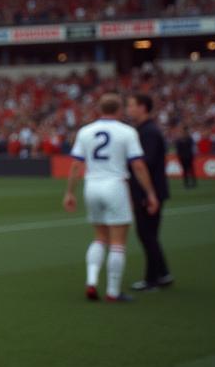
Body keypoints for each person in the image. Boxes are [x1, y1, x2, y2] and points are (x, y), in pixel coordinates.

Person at [63, 93, 159, 302]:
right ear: (119, 110)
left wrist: (70, 192)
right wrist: (150, 193)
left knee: (99, 238)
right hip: (115, 185)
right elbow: (138, 165)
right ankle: (113, 292)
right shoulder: (127, 131)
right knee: (118, 242)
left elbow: (76, 165)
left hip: (92, 186)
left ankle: (91, 281)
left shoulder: (85, 131)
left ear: (99, 109)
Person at [125, 92, 173, 290]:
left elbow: (146, 162)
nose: (128, 109)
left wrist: (147, 193)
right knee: (149, 234)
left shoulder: (148, 132)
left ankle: (152, 278)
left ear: (142, 107)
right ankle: (163, 273)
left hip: (148, 191)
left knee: (147, 234)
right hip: (147, 190)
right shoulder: (144, 130)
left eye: (131, 105)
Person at [175, 123, 196, 189]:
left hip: (188, 156)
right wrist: (179, 156)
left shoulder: (189, 138)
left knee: (190, 169)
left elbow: (192, 147)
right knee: (185, 170)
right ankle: (186, 183)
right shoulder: (180, 139)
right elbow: (178, 149)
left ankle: (193, 182)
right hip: (183, 157)